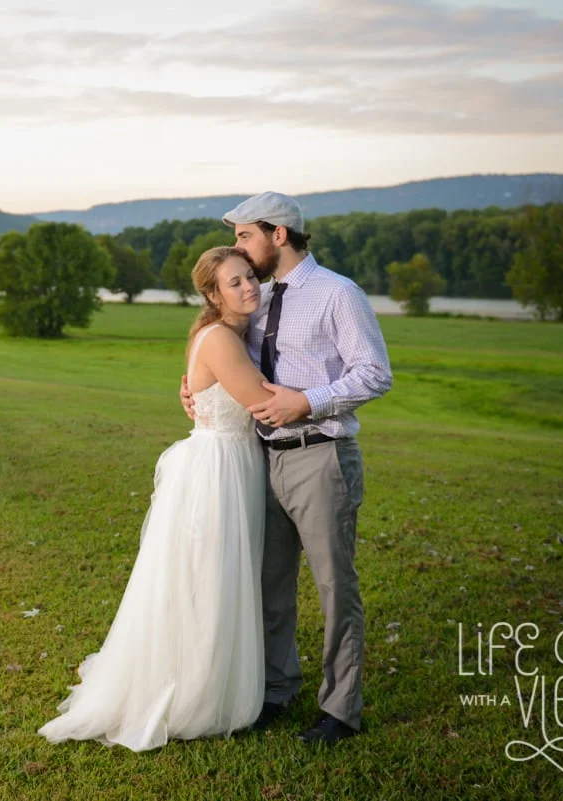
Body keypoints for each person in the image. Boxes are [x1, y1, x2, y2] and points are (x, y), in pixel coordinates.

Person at [38, 247, 276, 752]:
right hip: (219, 468)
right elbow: (264, 402)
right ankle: (198, 692)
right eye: (234, 283)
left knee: (216, 575)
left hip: (231, 461)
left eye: (250, 277)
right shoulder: (219, 339)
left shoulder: (226, 330)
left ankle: (213, 675)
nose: (248, 287)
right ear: (213, 294)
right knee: (209, 577)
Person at [180, 192, 393, 745]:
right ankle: (277, 690)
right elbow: (227, 355)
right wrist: (194, 390)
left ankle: (340, 710)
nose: (240, 251)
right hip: (262, 459)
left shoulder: (338, 294)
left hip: (321, 456)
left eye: (246, 236)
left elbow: (375, 374)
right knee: (271, 584)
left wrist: (309, 400)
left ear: (278, 234)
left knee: (333, 586)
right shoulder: (259, 296)